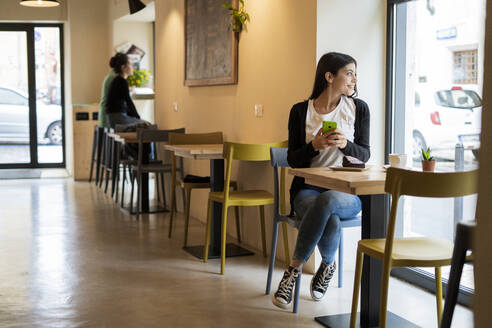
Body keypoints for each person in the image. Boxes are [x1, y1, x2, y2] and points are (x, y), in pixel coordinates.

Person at [272, 52, 370, 309]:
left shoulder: (358, 109)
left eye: (354, 73)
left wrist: (346, 145)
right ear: (329, 77)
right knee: (329, 213)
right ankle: (328, 265)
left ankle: (292, 271)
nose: (354, 79)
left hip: (346, 192)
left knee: (328, 201)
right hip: (307, 189)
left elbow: (366, 154)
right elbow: (293, 159)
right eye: (349, 73)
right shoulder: (299, 111)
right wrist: (314, 146)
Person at [106, 52, 148, 128]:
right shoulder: (121, 81)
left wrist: (136, 117)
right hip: (118, 118)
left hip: (115, 118)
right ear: (123, 67)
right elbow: (129, 102)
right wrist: (138, 118)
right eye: (130, 64)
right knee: (147, 126)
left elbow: (126, 106)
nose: (132, 67)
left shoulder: (118, 80)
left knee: (144, 124)